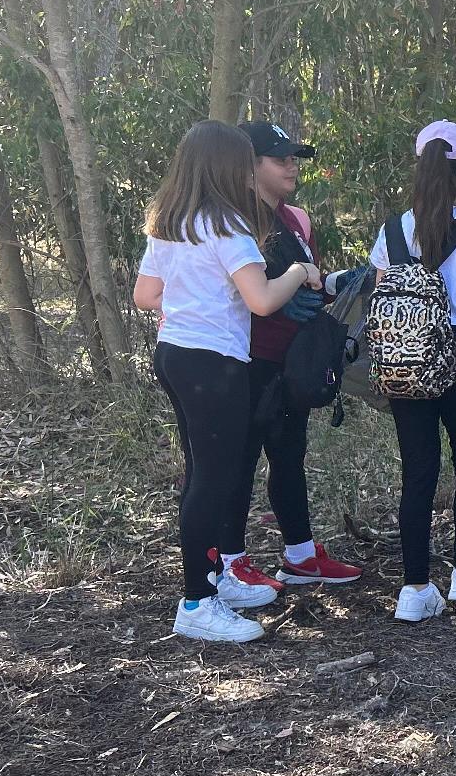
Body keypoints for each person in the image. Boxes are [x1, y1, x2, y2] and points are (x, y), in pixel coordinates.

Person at [132, 120, 320, 644]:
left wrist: (192, 303)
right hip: (215, 363)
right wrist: (298, 275)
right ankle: (196, 601)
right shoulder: (231, 225)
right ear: (227, 165)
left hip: (174, 355)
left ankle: (214, 580)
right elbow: (262, 299)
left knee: (202, 472)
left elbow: (146, 296)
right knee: (213, 479)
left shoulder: (172, 222)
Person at [370, 121, 456, 623]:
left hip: (405, 364)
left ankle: (414, 588)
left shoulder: (390, 231)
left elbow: (385, 295)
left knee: (418, 472)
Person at [222, 121, 365, 597]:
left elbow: (310, 282)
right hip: (247, 359)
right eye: (278, 158)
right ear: (249, 165)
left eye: (293, 158)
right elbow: (228, 293)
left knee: (290, 455)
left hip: (294, 359)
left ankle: (300, 555)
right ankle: (228, 560)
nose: (291, 166)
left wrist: (339, 282)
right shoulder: (231, 222)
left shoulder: (296, 219)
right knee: (238, 460)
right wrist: (275, 301)